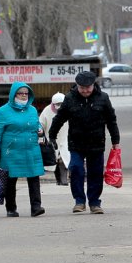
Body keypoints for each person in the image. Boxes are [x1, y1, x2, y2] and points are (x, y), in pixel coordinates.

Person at [49, 71, 120, 215]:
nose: (85, 91)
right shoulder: (70, 99)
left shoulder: (103, 98)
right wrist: (52, 136)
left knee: (95, 173)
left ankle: (94, 202)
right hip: (76, 143)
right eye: (82, 88)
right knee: (76, 169)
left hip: (96, 142)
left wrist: (115, 141)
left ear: (94, 85)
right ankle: (79, 201)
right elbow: (59, 118)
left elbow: (111, 121)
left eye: (88, 87)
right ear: (77, 86)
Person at [0, 82, 45, 218]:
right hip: (11, 153)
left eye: (26, 93)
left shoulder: (32, 110)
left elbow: (38, 126)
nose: (24, 96)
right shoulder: (2, 112)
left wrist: (40, 131)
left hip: (31, 150)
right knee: (10, 181)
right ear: (14, 94)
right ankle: (11, 208)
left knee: (34, 179)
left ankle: (36, 207)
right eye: (21, 93)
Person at [39, 92, 69, 186]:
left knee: (64, 159)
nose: (60, 106)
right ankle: (59, 180)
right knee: (54, 160)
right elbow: (41, 124)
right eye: (57, 104)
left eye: (62, 104)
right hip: (51, 139)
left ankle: (64, 180)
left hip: (65, 138)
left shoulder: (69, 109)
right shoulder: (47, 111)